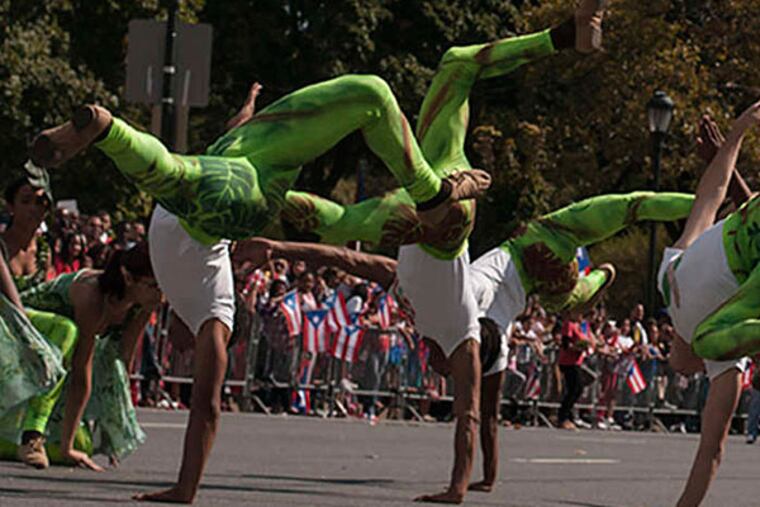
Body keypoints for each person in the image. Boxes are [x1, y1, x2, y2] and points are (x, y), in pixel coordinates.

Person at [31, 65, 489, 505]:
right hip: (240, 166)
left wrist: (184, 489)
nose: (178, 348)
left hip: (236, 172)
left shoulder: (204, 304)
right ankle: (109, 130)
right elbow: (207, 408)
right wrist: (184, 488)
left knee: (184, 175)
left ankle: (108, 130)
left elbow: (348, 254)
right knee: (368, 94)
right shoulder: (215, 310)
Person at [657, 106, 760, 507]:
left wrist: (735, 137)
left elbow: (712, 195)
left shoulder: (668, 276)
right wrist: (736, 136)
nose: (680, 368)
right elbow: (710, 452)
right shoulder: (727, 368)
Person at [2, 242, 160, 470]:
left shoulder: (144, 304)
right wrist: (66, 447)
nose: (161, 295)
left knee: (83, 445)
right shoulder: (92, 295)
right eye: (153, 285)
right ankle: (31, 434)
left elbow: (123, 361)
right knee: (68, 331)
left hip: (58, 360)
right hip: (20, 336)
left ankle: (19, 438)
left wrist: (112, 430)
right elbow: (80, 372)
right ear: (128, 277)